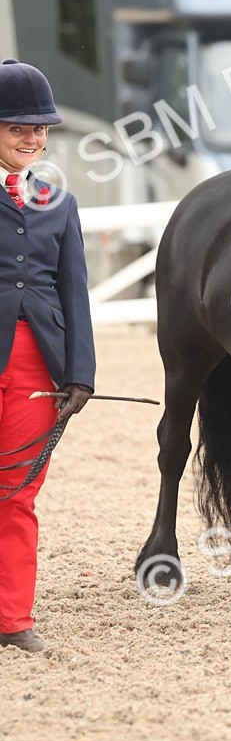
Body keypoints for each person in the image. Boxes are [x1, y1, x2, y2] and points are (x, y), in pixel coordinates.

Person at [0, 59, 95, 655]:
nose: (33, 138)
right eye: (18, 128)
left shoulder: (57, 201)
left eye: (41, 128)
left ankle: (12, 618)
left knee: (18, 490)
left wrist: (80, 373)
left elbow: (73, 289)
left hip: (38, 363)